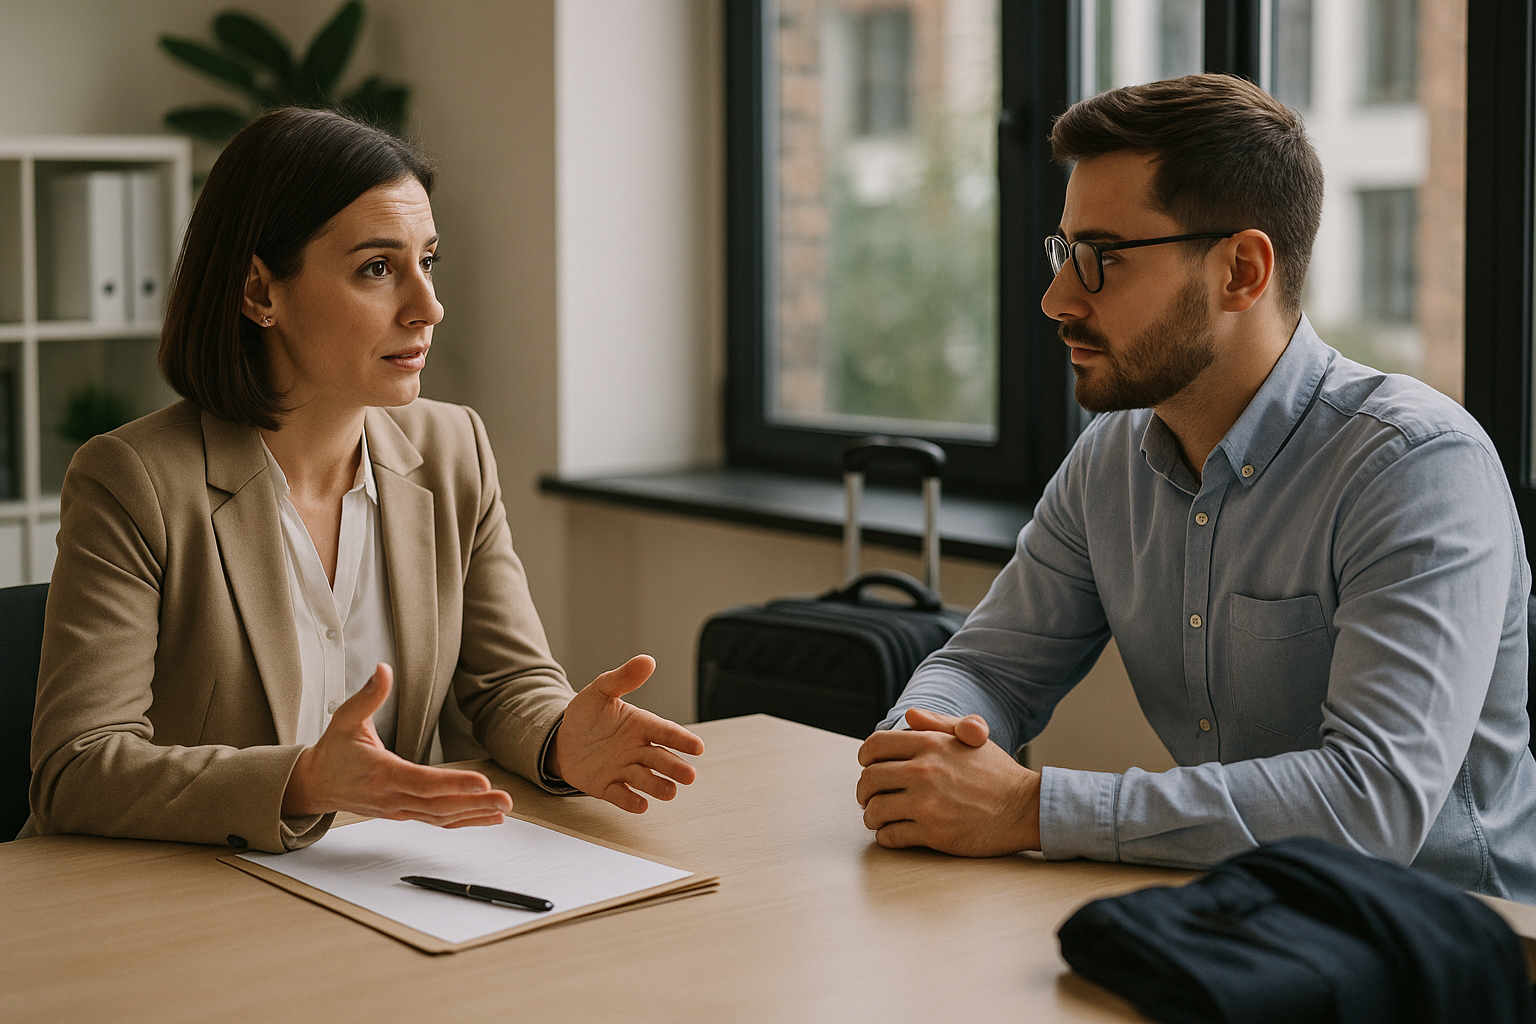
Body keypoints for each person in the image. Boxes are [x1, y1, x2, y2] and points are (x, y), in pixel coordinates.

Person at [855, 74, 1536, 901]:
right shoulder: (1109, 461)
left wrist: (1031, 808)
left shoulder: (1416, 466)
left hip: (1454, 939)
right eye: (1064, 253)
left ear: (1241, 271)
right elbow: (989, 669)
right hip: (1241, 914)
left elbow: (1373, 803)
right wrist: (918, 748)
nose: (1056, 299)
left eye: (1102, 259)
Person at [23, 108, 703, 853]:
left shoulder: (454, 450)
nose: (428, 307)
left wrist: (560, 738)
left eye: (427, 262)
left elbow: (507, 684)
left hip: (380, 879)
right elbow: (76, 767)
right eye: (377, 268)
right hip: (185, 889)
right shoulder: (133, 480)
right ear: (259, 292)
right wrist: (302, 781)